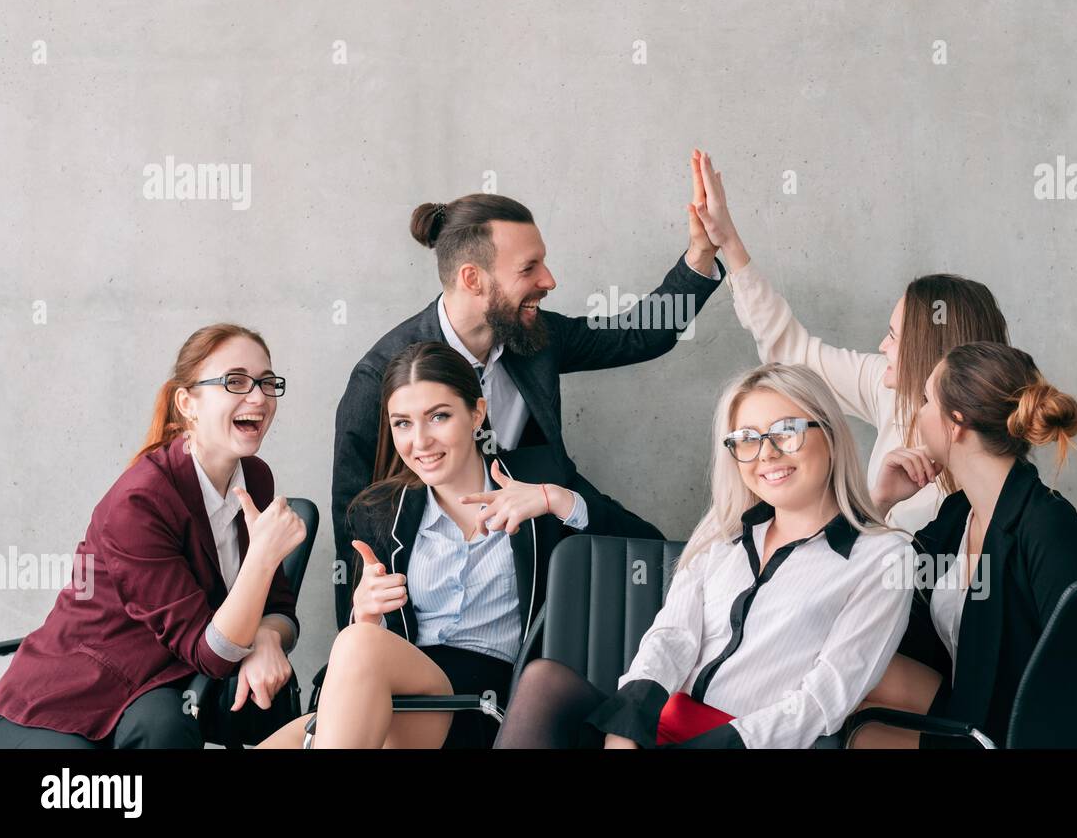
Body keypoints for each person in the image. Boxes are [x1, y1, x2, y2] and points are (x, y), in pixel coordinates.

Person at [331, 188, 726, 628]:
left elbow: (638, 335)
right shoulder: (382, 375)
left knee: (657, 560)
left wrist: (700, 254)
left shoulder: (536, 335)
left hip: (543, 515)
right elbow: (352, 519)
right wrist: (355, 631)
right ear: (472, 279)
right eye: (528, 268)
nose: (549, 280)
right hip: (439, 564)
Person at [493, 362, 917, 749]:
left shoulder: (884, 558)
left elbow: (824, 700)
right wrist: (624, 730)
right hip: (660, 724)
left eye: (787, 431)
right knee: (545, 681)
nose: (766, 453)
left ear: (830, 435)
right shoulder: (723, 533)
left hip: (749, 743)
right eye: (747, 439)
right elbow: (672, 636)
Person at [261, 340, 645, 748]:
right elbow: (370, 649)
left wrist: (557, 500)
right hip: (397, 700)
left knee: (356, 644)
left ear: (476, 413)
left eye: (438, 416)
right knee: (353, 646)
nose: (420, 441)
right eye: (402, 424)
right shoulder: (380, 511)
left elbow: (648, 548)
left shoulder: (539, 475)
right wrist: (366, 614)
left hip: (486, 705)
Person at [0, 324, 305, 748]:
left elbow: (279, 608)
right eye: (235, 381)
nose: (259, 397)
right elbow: (213, 653)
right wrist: (262, 559)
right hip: (78, 687)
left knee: (173, 725)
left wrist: (267, 637)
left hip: (162, 675)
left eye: (267, 382)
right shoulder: (141, 501)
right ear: (187, 404)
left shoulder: (255, 477)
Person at [687, 148, 1009, 532]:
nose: (882, 346)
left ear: (926, 350)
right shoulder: (888, 387)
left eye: (894, 336)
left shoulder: (998, 476)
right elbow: (792, 352)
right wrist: (728, 241)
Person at [848, 341, 1077, 748]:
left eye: (927, 401)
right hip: (967, 705)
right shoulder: (958, 514)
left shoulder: (1049, 526)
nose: (918, 413)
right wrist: (880, 502)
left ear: (956, 424)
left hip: (1013, 732)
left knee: (856, 732)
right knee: (843, 684)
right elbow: (877, 596)